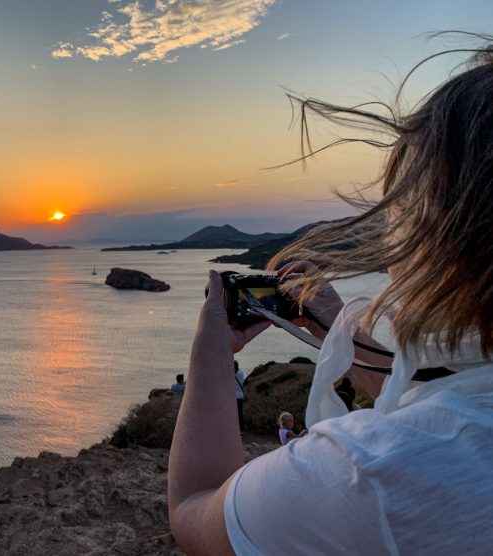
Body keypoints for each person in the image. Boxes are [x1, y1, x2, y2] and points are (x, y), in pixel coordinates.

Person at [168, 37, 493, 555]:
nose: (390, 244)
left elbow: (195, 511)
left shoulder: (375, 472)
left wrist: (211, 354)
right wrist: (339, 327)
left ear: (447, 234)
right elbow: (443, 391)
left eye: (401, 211)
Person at [234, 361, 245, 434]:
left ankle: (235, 429)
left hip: (233, 396)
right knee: (240, 413)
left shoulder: (231, 374)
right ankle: (241, 430)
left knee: (234, 414)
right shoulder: (241, 373)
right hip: (240, 395)